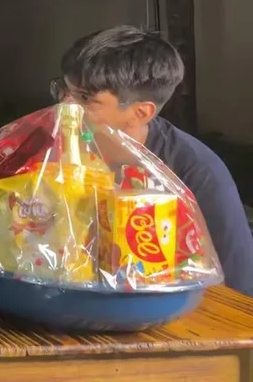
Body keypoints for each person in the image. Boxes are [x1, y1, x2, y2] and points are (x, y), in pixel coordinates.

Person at [56, 26, 253, 296]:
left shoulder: (195, 171)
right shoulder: (54, 147)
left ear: (140, 112)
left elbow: (239, 286)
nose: (64, 107)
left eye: (85, 99)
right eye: (64, 90)